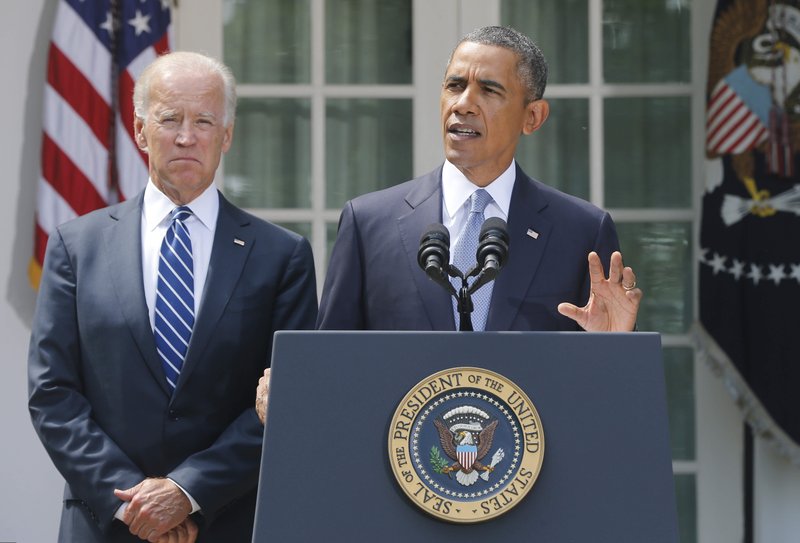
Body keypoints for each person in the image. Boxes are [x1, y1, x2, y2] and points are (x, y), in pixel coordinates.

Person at [28, 51, 318, 542]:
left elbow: (289, 396)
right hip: (105, 522)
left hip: (227, 522)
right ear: (140, 131)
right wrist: (134, 502)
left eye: (204, 121)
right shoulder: (76, 246)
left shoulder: (281, 256)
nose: (187, 136)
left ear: (226, 135)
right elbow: (53, 393)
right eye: (170, 119)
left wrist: (186, 492)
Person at [316, 25, 641, 332]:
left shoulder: (581, 233)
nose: (463, 104)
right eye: (454, 86)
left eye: (489, 90)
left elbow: (611, 380)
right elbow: (328, 366)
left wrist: (616, 346)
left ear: (533, 116)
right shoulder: (368, 224)